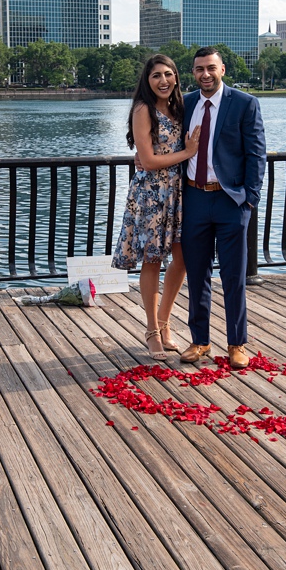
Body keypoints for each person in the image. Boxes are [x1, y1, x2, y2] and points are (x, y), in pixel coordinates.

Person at [179, 47, 267, 370]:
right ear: (194, 73)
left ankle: (236, 344)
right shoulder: (185, 104)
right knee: (198, 275)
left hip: (231, 201)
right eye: (199, 69)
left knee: (234, 276)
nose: (205, 74)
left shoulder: (244, 104)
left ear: (222, 70)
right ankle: (200, 341)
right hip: (194, 200)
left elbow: (257, 156)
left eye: (211, 68)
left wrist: (249, 200)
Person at [112, 55, 201, 359]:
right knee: (152, 260)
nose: (163, 80)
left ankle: (164, 323)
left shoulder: (181, 107)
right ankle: (152, 331)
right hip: (152, 193)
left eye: (168, 74)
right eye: (156, 76)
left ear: (176, 77)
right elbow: (147, 161)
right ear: (147, 81)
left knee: (183, 258)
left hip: (179, 193)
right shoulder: (142, 109)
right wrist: (187, 153)